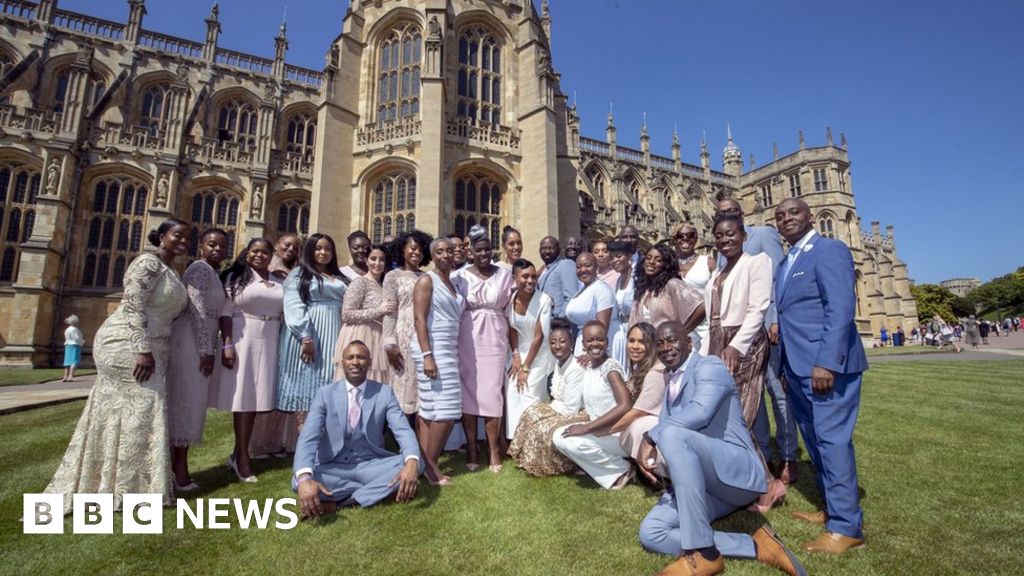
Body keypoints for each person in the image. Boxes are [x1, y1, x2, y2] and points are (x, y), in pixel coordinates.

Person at [637, 321, 807, 576]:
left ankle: (703, 553)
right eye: (659, 343)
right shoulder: (670, 382)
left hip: (736, 475)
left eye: (671, 340)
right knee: (651, 533)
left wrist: (650, 437)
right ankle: (755, 544)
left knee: (671, 433)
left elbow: (700, 413)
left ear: (688, 342)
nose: (665, 347)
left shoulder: (710, 366)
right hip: (703, 485)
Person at [45, 219, 191, 511]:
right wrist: (142, 349)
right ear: (162, 237)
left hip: (152, 346)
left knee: (138, 412)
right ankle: (130, 490)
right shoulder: (147, 263)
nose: (184, 241)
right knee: (143, 406)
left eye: (188, 237)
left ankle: (127, 487)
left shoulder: (171, 270)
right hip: (128, 345)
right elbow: (134, 305)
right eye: (178, 235)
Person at [774, 197, 868, 554]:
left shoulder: (829, 249)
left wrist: (827, 362)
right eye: (779, 216)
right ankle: (833, 509)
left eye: (793, 213)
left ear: (810, 215)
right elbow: (790, 318)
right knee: (815, 441)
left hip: (825, 366)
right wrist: (785, 367)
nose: (786, 220)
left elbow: (841, 306)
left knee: (831, 440)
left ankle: (846, 528)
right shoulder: (787, 262)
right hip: (797, 367)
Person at [705, 211, 785, 512]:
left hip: (745, 344)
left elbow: (758, 309)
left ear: (744, 236)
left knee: (740, 415)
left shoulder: (757, 262)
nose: (725, 239)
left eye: (731, 233)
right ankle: (759, 482)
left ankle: (766, 486)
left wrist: (737, 346)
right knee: (724, 416)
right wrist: (703, 356)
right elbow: (713, 319)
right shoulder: (718, 273)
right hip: (718, 343)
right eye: (719, 235)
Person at [718, 197, 798, 488]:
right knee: (752, 397)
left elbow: (779, 277)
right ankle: (763, 451)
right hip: (736, 338)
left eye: (731, 211)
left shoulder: (762, 234)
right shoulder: (721, 247)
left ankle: (789, 457)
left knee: (777, 391)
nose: (726, 215)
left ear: (741, 213)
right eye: (722, 212)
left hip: (764, 328)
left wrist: (775, 318)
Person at [292, 341, 422, 519]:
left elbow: (403, 430)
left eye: (361, 357)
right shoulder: (325, 394)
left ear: (369, 362)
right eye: (350, 357)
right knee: (298, 480)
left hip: (371, 465)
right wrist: (305, 478)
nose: (355, 362)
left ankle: (340, 502)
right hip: (333, 466)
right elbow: (308, 437)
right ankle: (376, 493)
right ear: (342, 362)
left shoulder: (384, 393)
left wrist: (412, 464)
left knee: (415, 464)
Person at [209, 238, 284, 483]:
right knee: (243, 400)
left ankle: (237, 453)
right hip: (244, 338)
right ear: (247, 253)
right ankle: (242, 459)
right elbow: (225, 312)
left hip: (270, 337)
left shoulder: (278, 281)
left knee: (256, 400)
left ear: (272, 255)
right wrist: (228, 343)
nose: (259, 256)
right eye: (255, 251)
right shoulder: (236, 279)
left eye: (265, 252)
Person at [167, 228, 228, 491]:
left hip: (198, 341)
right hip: (192, 343)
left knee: (190, 404)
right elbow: (198, 310)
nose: (217, 249)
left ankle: (176, 470)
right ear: (201, 246)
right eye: (212, 244)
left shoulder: (210, 271)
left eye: (222, 246)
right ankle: (178, 473)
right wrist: (207, 350)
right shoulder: (200, 270)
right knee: (186, 405)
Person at [455, 225, 514, 472]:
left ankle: (493, 450)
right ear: (471, 251)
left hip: (495, 336)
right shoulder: (459, 276)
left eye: (487, 249)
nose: (483, 254)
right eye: (478, 250)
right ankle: (471, 448)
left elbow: (513, 305)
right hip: (468, 336)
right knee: (468, 392)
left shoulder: (504, 273)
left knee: (492, 392)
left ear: (492, 250)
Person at [277, 234, 347, 431]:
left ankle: (326, 444)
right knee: (305, 387)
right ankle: (307, 448)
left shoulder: (340, 277)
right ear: (309, 251)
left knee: (328, 384)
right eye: (318, 248)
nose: (323, 253)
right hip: (309, 334)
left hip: (334, 333)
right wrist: (305, 336)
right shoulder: (299, 274)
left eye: (328, 249)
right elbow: (293, 305)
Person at [552, 321, 634, 490]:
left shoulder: (611, 369)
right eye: (590, 340)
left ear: (607, 341)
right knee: (559, 437)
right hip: (599, 429)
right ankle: (601, 468)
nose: (595, 344)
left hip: (617, 433)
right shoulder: (589, 365)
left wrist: (587, 427)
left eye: (600, 339)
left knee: (574, 442)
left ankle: (622, 469)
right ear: (583, 344)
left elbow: (625, 405)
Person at [412, 237, 466, 486]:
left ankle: (424, 464)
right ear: (432, 256)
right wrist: (427, 355)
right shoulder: (426, 280)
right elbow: (419, 319)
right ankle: (431, 469)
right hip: (432, 348)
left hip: (449, 347)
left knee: (430, 408)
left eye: (450, 251)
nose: (446, 255)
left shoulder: (453, 283)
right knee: (448, 407)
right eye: (440, 251)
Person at [508, 321, 588, 476]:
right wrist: (547, 408)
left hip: (579, 414)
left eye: (562, 341)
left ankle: (558, 465)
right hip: (562, 407)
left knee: (542, 424)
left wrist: (548, 410)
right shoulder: (559, 364)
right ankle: (528, 460)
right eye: (553, 342)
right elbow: (558, 398)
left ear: (571, 343)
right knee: (530, 412)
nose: (557, 346)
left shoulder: (576, 368)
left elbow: (571, 408)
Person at [252, 232, 301, 460]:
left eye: (295, 247)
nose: (290, 249)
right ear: (278, 245)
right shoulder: (267, 270)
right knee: (268, 386)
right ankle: (260, 442)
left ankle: (284, 441)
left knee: (287, 386)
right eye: (286, 245)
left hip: (289, 333)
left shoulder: (296, 271)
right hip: (273, 331)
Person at [382, 229, 433, 416]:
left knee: (421, 385)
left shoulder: (427, 277)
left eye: (420, 250)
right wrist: (389, 343)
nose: (416, 253)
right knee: (401, 382)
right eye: (412, 248)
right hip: (402, 333)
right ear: (403, 249)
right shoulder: (393, 276)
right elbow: (390, 311)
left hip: (424, 334)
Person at [506, 258, 555, 440]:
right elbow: (511, 328)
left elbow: (539, 337)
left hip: (539, 355)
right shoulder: (512, 298)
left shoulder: (544, 300)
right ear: (514, 277)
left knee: (529, 392)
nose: (530, 281)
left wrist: (525, 368)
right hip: (520, 352)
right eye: (525, 276)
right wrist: (515, 355)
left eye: (533, 277)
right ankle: (515, 439)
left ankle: (532, 440)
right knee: (511, 390)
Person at [609, 323, 665, 483]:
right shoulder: (639, 367)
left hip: (654, 432)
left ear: (652, 345)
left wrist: (606, 430)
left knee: (640, 425)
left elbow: (639, 412)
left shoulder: (656, 372)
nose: (635, 346)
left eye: (641, 342)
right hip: (639, 428)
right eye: (631, 340)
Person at [335, 244, 394, 384]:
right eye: (373, 259)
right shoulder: (360, 282)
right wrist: (379, 311)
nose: (377, 263)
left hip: (378, 335)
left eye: (382, 259)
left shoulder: (385, 284)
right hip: (359, 334)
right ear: (366, 260)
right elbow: (347, 314)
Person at [629, 242, 705, 336]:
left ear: (666, 264)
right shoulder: (644, 289)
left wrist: (682, 332)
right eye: (648, 258)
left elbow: (702, 306)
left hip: (670, 344)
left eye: (658, 260)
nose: (651, 262)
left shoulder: (672, 284)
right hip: (649, 345)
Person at [565, 252, 615, 355]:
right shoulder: (583, 290)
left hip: (595, 347)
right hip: (582, 342)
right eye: (579, 267)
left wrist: (592, 353)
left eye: (588, 265)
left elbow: (603, 327)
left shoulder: (602, 289)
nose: (583, 270)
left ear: (596, 266)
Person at [672, 223, 714, 347]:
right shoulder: (668, 264)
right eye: (681, 236)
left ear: (696, 239)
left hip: (705, 326)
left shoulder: (708, 262)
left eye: (690, 235)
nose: (686, 238)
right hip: (678, 326)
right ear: (675, 239)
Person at [607, 240, 635, 372]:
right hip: (620, 332)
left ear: (629, 256)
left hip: (634, 328)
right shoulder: (618, 281)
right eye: (611, 258)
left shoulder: (637, 278)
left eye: (618, 256)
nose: (614, 260)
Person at [537, 236, 581, 319]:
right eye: (543, 248)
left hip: (559, 323)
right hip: (544, 321)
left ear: (559, 250)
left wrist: (560, 318)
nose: (547, 251)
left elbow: (571, 296)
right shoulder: (543, 270)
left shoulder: (566, 264)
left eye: (550, 248)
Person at [62, 315, 85, 382]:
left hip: (67, 345)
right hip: (74, 345)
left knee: (67, 362)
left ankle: (65, 376)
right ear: (75, 322)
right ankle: (70, 376)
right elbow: (77, 338)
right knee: (74, 361)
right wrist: (82, 342)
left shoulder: (67, 329)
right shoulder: (74, 329)